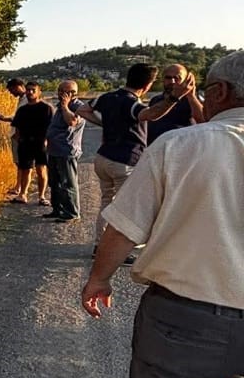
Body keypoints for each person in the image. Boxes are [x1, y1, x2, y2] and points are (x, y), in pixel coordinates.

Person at [80, 50, 244, 378]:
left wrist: (98, 280)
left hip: (180, 312)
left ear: (217, 93)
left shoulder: (181, 147)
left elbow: (123, 227)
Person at [74, 62, 164, 247]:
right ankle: (116, 249)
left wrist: (104, 123)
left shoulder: (107, 97)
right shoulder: (132, 103)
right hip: (125, 160)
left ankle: (101, 245)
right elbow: (150, 115)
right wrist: (172, 100)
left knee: (107, 202)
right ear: (147, 85)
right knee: (124, 209)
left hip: (103, 157)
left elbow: (82, 110)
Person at [43, 81, 84, 222]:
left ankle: (71, 213)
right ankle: (58, 209)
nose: (62, 94)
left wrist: (65, 106)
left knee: (68, 183)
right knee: (55, 182)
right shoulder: (59, 107)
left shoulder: (78, 107)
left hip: (67, 151)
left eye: (67, 92)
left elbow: (72, 122)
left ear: (74, 93)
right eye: (60, 91)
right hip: (54, 150)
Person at [7, 81, 53, 205]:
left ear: (39, 92)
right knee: (25, 169)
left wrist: (46, 141)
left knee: (41, 169)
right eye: (28, 90)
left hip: (40, 143)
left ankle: (42, 196)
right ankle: (23, 195)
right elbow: (17, 128)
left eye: (33, 90)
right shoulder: (22, 110)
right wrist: (19, 140)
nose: (30, 92)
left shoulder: (46, 109)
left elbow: (51, 127)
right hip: (25, 143)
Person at [146, 63, 204, 142]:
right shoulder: (155, 100)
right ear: (163, 79)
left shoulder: (190, 101)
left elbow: (203, 121)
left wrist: (191, 96)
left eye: (177, 78)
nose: (172, 81)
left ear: (185, 80)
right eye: (168, 78)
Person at [0, 78, 29, 195]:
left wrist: (6, 119)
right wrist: (6, 118)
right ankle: (18, 186)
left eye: (11, 90)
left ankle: (20, 189)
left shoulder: (27, 100)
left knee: (22, 163)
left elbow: (23, 118)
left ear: (18, 86)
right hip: (18, 135)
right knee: (19, 163)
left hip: (21, 136)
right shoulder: (22, 99)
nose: (11, 93)